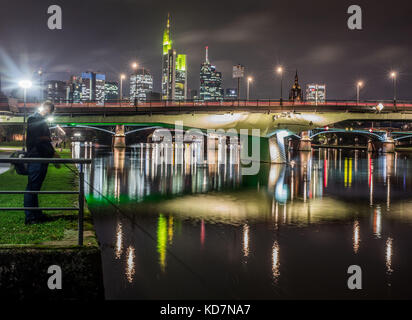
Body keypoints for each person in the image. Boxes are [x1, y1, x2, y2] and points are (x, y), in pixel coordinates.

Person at [24, 100, 60, 225]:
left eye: (49, 112)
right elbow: (38, 139)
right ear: (44, 108)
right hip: (36, 157)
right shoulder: (33, 119)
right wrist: (51, 149)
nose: (47, 114)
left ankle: (36, 214)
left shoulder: (41, 120)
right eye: (48, 111)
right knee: (31, 188)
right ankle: (30, 217)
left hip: (42, 158)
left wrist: (51, 150)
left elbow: (44, 139)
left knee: (36, 187)